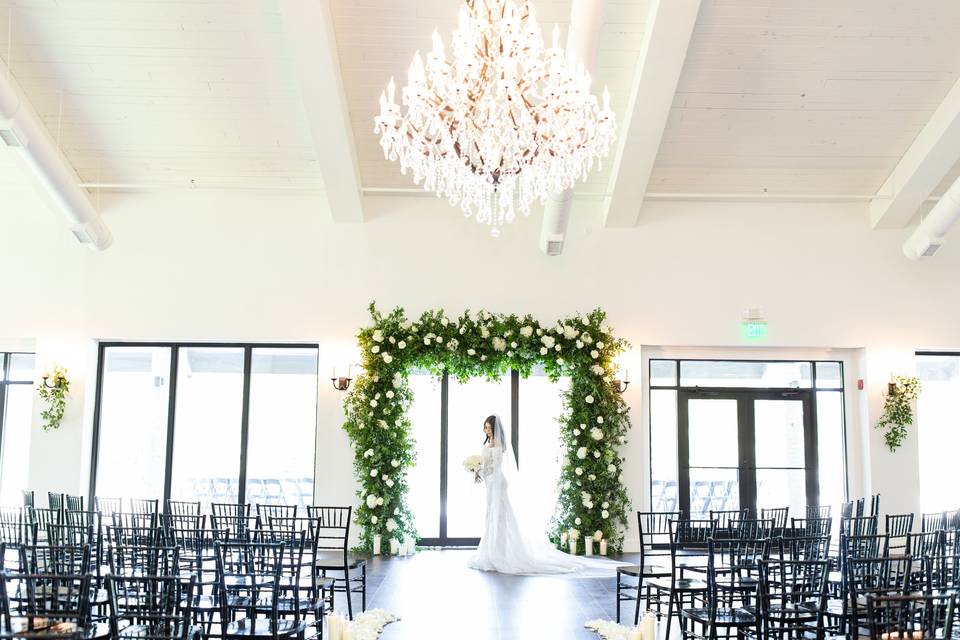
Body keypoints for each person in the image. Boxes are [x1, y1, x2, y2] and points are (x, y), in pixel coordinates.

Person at [468, 414, 620, 576]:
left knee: (500, 516)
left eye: (489, 427)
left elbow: (495, 467)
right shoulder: (489, 444)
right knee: (492, 516)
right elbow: (488, 467)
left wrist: (481, 470)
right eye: (485, 427)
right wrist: (478, 471)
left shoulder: (497, 445)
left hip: (497, 483)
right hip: (491, 483)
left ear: (494, 428)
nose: (487, 430)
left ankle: (501, 553)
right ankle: (492, 551)